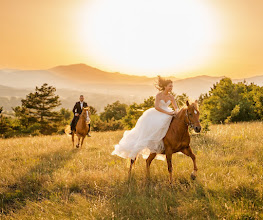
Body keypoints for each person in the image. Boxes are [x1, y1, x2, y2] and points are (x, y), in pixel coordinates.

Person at [112, 76, 179, 160]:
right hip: (158, 113)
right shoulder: (159, 95)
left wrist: (176, 111)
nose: (171, 88)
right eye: (170, 86)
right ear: (165, 86)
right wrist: (168, 113)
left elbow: (176, 107)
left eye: (172, 86)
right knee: (156, 127)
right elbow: (157, 107)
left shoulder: (171, 97)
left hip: (169, 112)